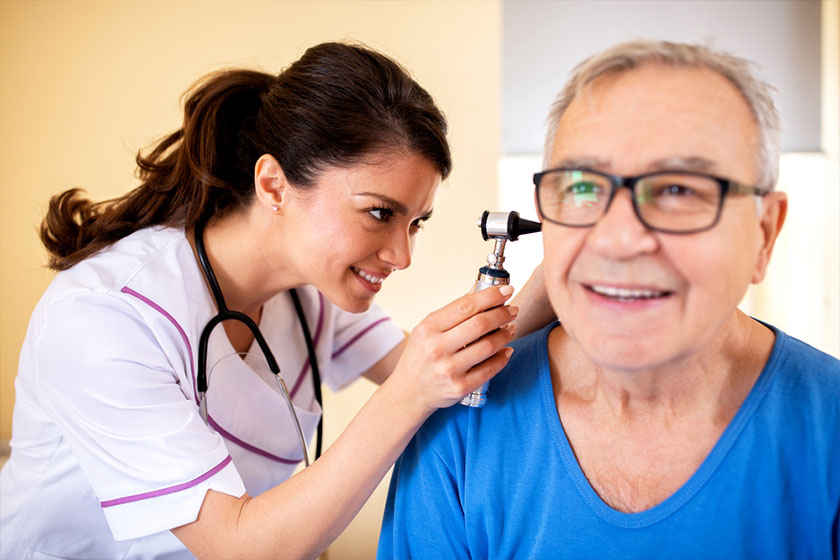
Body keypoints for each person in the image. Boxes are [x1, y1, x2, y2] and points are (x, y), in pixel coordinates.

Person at [0, 42, 553, 559]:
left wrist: (563, 267)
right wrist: (407, 394)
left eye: (416, 223)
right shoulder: (107, 317)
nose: (402, 255)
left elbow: (460, 374)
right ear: (273, 186)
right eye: (380, 214)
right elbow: (237, 545)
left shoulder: (310, 294)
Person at [378, 40, 840, 559]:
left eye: (680, 190)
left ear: (764, 233)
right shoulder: (461, 426)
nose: (618, 239)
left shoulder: (828, 431)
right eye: (581, 188)